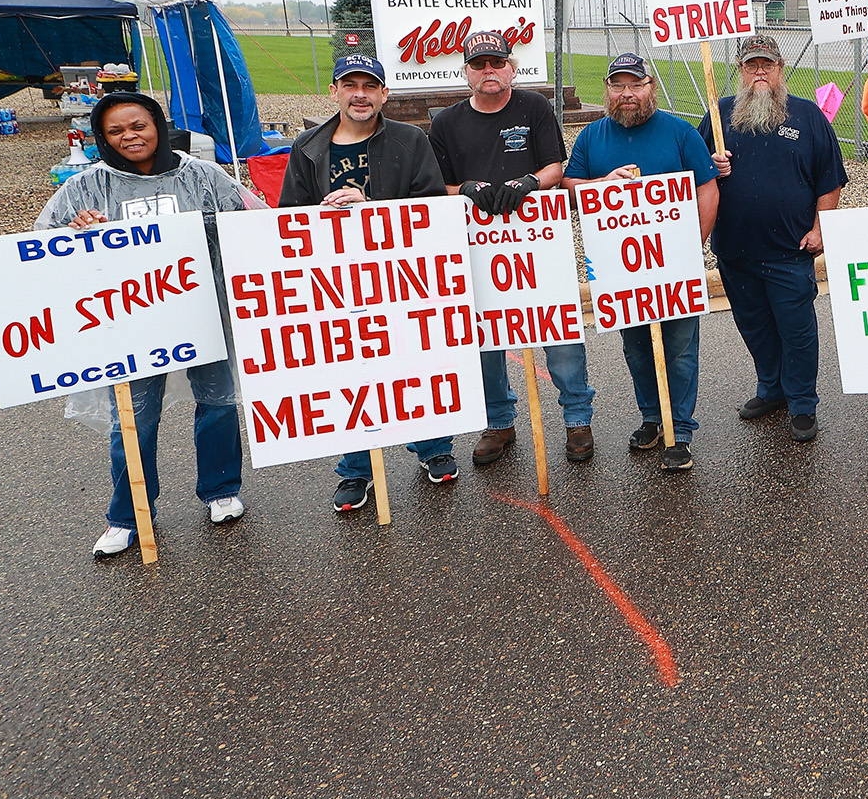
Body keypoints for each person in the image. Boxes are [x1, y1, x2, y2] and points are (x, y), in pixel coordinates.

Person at [35, 91, 249, 557]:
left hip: (202, 311)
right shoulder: (84, 187)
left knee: (217, 402)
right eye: (116, 131)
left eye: (138, 125)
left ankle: (221, 490)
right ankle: (127, 515)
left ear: (157, 124)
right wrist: (76, 230)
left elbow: (245, 227)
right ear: (102, 139)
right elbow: (43, 245)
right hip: (130, 322)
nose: (130, 136)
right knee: (132, 417)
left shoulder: (204, 176)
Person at [278, 54, 454, 511]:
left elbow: (432, 206)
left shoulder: (411, 139)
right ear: (334, 91)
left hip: (400, 276)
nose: (360, 94)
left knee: (412, 364)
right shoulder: (308, 145)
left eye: (370, 86)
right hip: (334, 281)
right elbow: (287, 217)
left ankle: (433, 447)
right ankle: (356, 468)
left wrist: (370, 204)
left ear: (384, 94)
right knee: (351, 375)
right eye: (350, 84)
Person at [427, 31, 595, 468]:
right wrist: (463, 188)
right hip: (477, 246)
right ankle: (499, 421)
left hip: (537, 241)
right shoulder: (446, 122)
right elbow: (433, 186)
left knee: (558, 332)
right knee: (485, 340)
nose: (489, 71)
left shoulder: (533, 107)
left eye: (497, 63)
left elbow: (556, 166)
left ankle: (577, 416)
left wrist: (530, 182)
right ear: (466, 71)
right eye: (479, 64)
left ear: (511, 67)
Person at [563, 53, 719, 471]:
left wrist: (694, 244)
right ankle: (653, 417)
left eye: (636, 85)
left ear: (651, 87)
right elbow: (570, 185)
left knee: (681, 348)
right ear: (608, 91)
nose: (627, 94)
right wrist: (601, 183)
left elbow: (707, 188)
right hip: (621, 269)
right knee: (636, 347)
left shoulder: (679, 132)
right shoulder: (592, 137)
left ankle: (680, 430)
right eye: (618, 86)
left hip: (675, 264)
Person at [698, 34, 847, 443]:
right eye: (751, 65)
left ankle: (802, 403)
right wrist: (712, 167)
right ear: (740, 71)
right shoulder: (718, 116)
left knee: (796, 329)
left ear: (780, 69)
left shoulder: (807, 116)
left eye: (767, 64)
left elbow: (829, 179)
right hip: (734, 249)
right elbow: (694, 178)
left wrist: (821, 228)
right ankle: (772, 389)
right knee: (755, 325)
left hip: (789, 250)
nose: (759, 71)